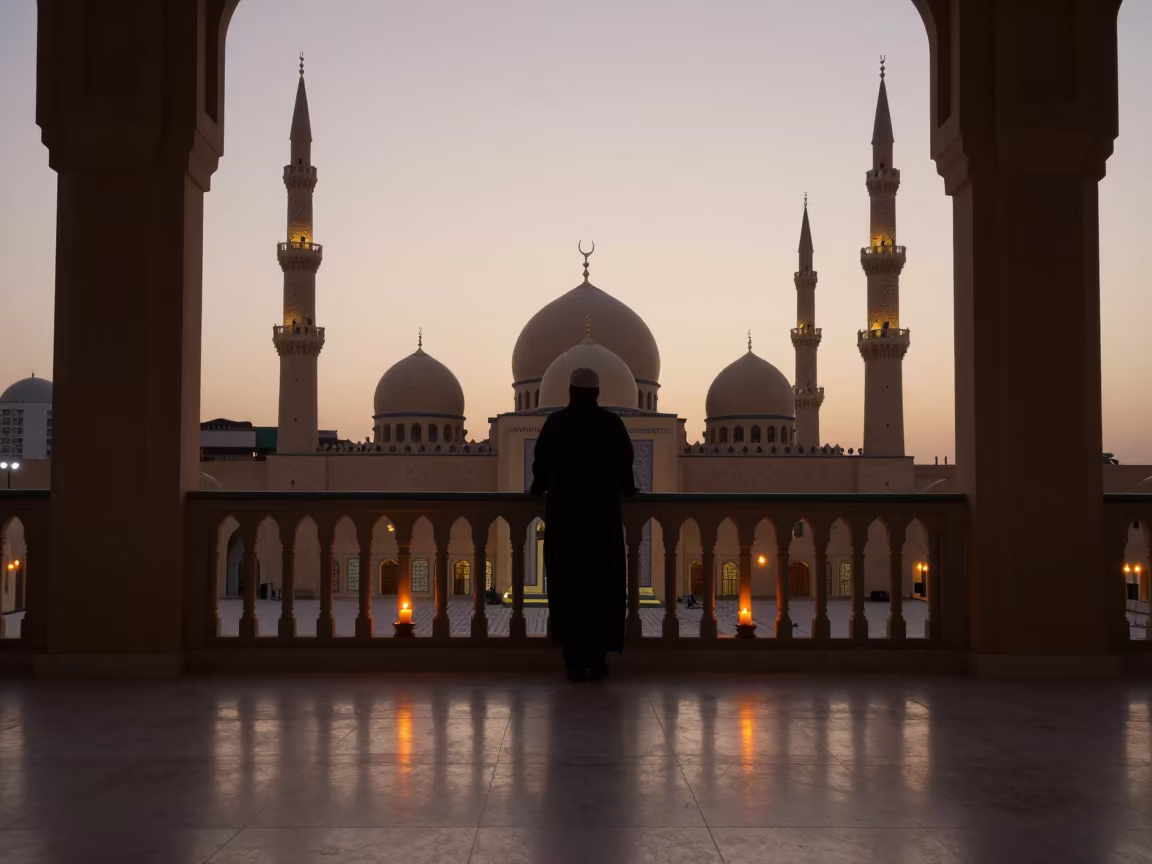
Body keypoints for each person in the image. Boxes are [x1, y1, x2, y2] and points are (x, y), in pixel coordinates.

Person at [529, 367, 637, 681]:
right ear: (598, 393)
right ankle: (598, 660)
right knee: (601, 587)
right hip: (602, 522)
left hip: (566, 522)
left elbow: (540, 466)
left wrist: (537, 489)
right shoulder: (611, 424)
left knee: (568, 588)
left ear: (571, 391)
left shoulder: (556, 423)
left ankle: (574, 662)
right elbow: (626, 469)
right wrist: (628, 491)